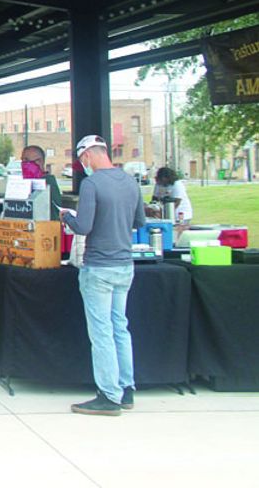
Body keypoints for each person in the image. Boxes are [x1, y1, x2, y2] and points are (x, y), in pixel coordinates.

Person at [61, 135, 145, 416]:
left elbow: (83, 226)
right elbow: (139, 221)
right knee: (120, 326)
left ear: (87, 157)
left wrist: (67, 218)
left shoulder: (92, 183)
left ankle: (108, 395)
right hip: (125, 264)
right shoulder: (130, 181)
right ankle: (126, 388)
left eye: (81, 160)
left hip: (98, 266)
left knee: (101, 332)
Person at [21, 145, 62, 218]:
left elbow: (54, 214)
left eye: (27, 161)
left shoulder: (48, 183)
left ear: (40, 162)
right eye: (24, 161)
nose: (25, 164)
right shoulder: (23, 183)